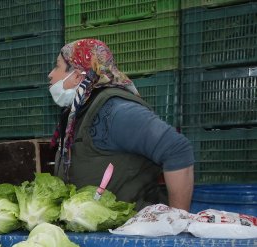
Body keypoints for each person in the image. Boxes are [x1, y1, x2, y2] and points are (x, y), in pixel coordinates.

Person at [48, 39, 194, 211]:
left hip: (133, 225)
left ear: (77, 76)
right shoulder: (77, 112)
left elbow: (176, 149)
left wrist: (178, 219)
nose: (50, 74)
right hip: (95, 224)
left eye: (57, 66)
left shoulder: (113, 111)